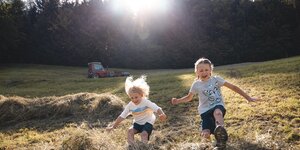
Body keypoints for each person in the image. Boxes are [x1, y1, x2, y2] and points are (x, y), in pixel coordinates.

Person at [171, 57, 259, 149]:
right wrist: (178, 101)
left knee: (217, 112)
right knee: (206, 134)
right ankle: (209, 145)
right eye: (201, 70)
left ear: (210, 70)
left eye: (206, 70)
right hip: (205, 111)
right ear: (196, 72)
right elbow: (189, 97)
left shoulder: (216, 80)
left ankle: (221, 135)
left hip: (217, 105)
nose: (204, 72)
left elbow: (233, 87)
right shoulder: (196, 84)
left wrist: (248, 97)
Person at [106, 76, 167, 146]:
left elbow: (157, 108)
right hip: (137, 123)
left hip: (148, 121)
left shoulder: (146, 102)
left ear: (141, 95)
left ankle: (144, 147)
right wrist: (113, 127)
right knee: (130, 131)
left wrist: (162, 114)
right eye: (132, 98)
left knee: (143, 134)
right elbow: (122, 116)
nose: (134, 100)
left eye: (136, 97)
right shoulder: (130, 105)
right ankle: (132, 146)